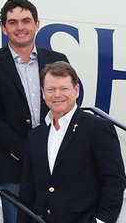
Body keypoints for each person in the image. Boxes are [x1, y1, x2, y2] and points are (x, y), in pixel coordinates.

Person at [0, 0, 68, 223]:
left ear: (37, 24)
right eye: (13, 22)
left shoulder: (58, 60)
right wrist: (29, 150)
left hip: (56, 163)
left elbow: (67, 107)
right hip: (13, 164)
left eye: (26, 21)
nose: (20, 27)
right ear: (3, 27)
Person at [18, 61, 125, 223]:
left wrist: (101, 221)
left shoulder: (97, 128)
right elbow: (28, 189)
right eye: (51, 89)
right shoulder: (36, 135)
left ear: (76, 91)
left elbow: (114, 180)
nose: (57, 95)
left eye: (64, 89)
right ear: (43, 93)